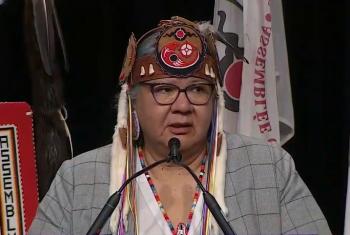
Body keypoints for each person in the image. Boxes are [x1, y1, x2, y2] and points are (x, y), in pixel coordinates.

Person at [28, 16, 331, 235]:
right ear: (133, 101)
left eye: (198, 90)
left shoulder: (269, 170)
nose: (183, 106)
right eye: (164, 90)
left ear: (216, 101)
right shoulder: (78, 180)